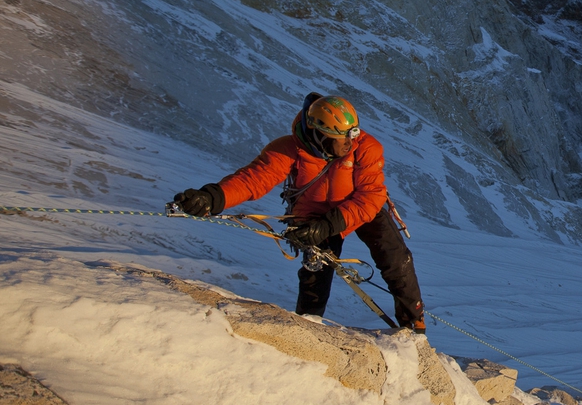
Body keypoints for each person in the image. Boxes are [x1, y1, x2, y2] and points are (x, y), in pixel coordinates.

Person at [173, 93, 425, 331]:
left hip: (359, 208)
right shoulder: (290, 149)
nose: (351, 142)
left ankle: (413, 324)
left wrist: (330, 223)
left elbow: (371, 196)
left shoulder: (365, 148)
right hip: (314, 217)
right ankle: (308, 328)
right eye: (343, 137)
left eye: (353, 133)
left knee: (396, 259)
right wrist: (212, 197)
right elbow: (253, 180)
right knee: (314, 281)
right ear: (320, 134)